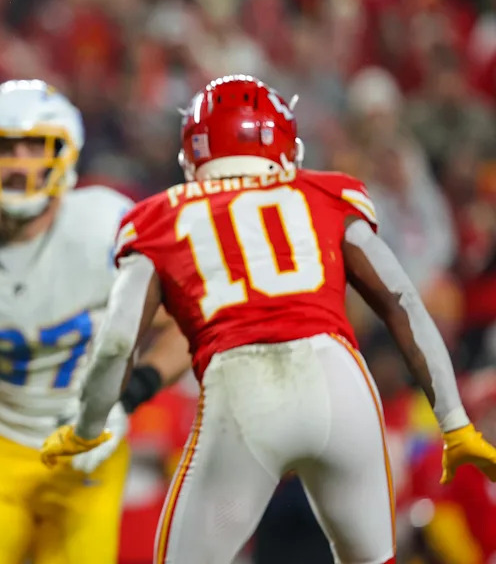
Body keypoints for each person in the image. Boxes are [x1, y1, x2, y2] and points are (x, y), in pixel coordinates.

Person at [40, 74, 496, 563]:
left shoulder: (158, 217)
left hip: (244, 392)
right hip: (341, 384)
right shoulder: (326, 195)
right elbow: (402, 300)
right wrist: (455, 422)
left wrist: (89, 424)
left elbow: (115, 344)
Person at [0, 79, 187, 563]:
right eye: (4, 146)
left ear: (65, 154)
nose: (19, 162)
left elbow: (180, 330)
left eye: (35, 146)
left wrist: (126, 399)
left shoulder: (105, 227)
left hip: (88, 444)